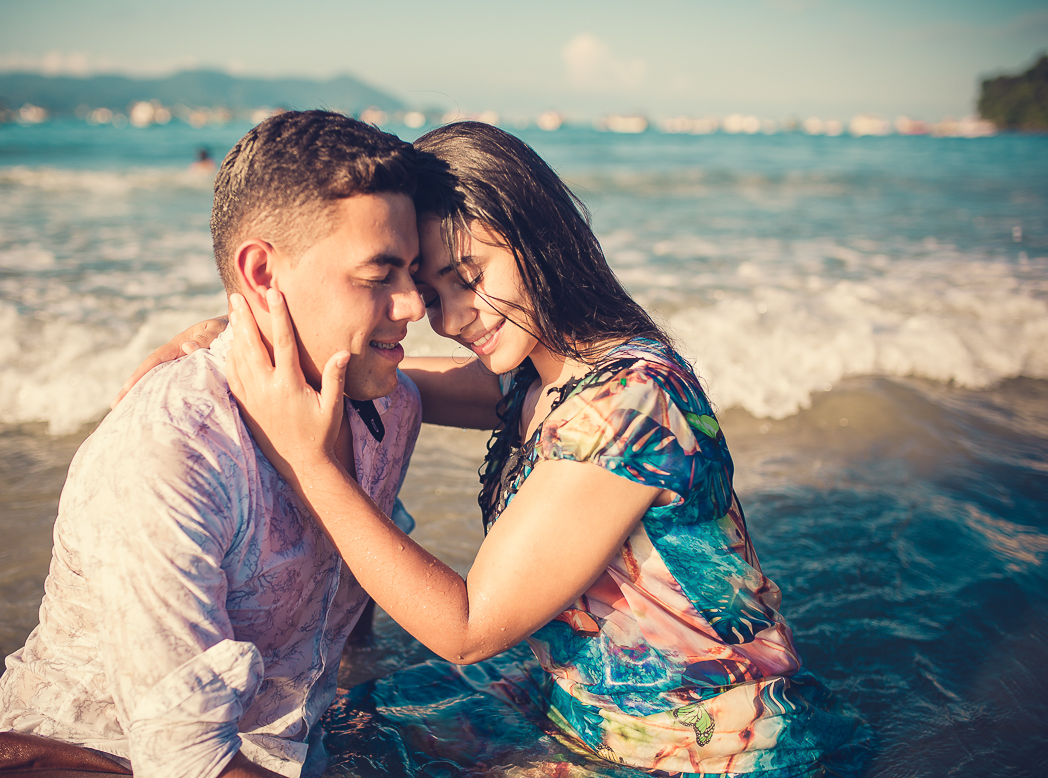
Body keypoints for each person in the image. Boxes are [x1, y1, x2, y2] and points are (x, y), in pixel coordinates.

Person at [150, 122, 871, 777]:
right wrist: (265, 341)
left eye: (469, 278)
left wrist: (309, 462)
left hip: (706, 747)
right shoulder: (543, 375)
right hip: (573, 703)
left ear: (539, 237)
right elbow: (410, 388)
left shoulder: (629, 402)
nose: (454, 318)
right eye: (430, 294)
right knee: (336, 730)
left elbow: (466, 629)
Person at [0, 110, 426, 778]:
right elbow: (185, 761)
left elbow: (351, 579)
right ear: (260, 274)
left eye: (414, 272)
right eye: (380, 276)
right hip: (81, 759)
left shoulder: (392, 407)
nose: (414, 306)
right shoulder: (170, 451)